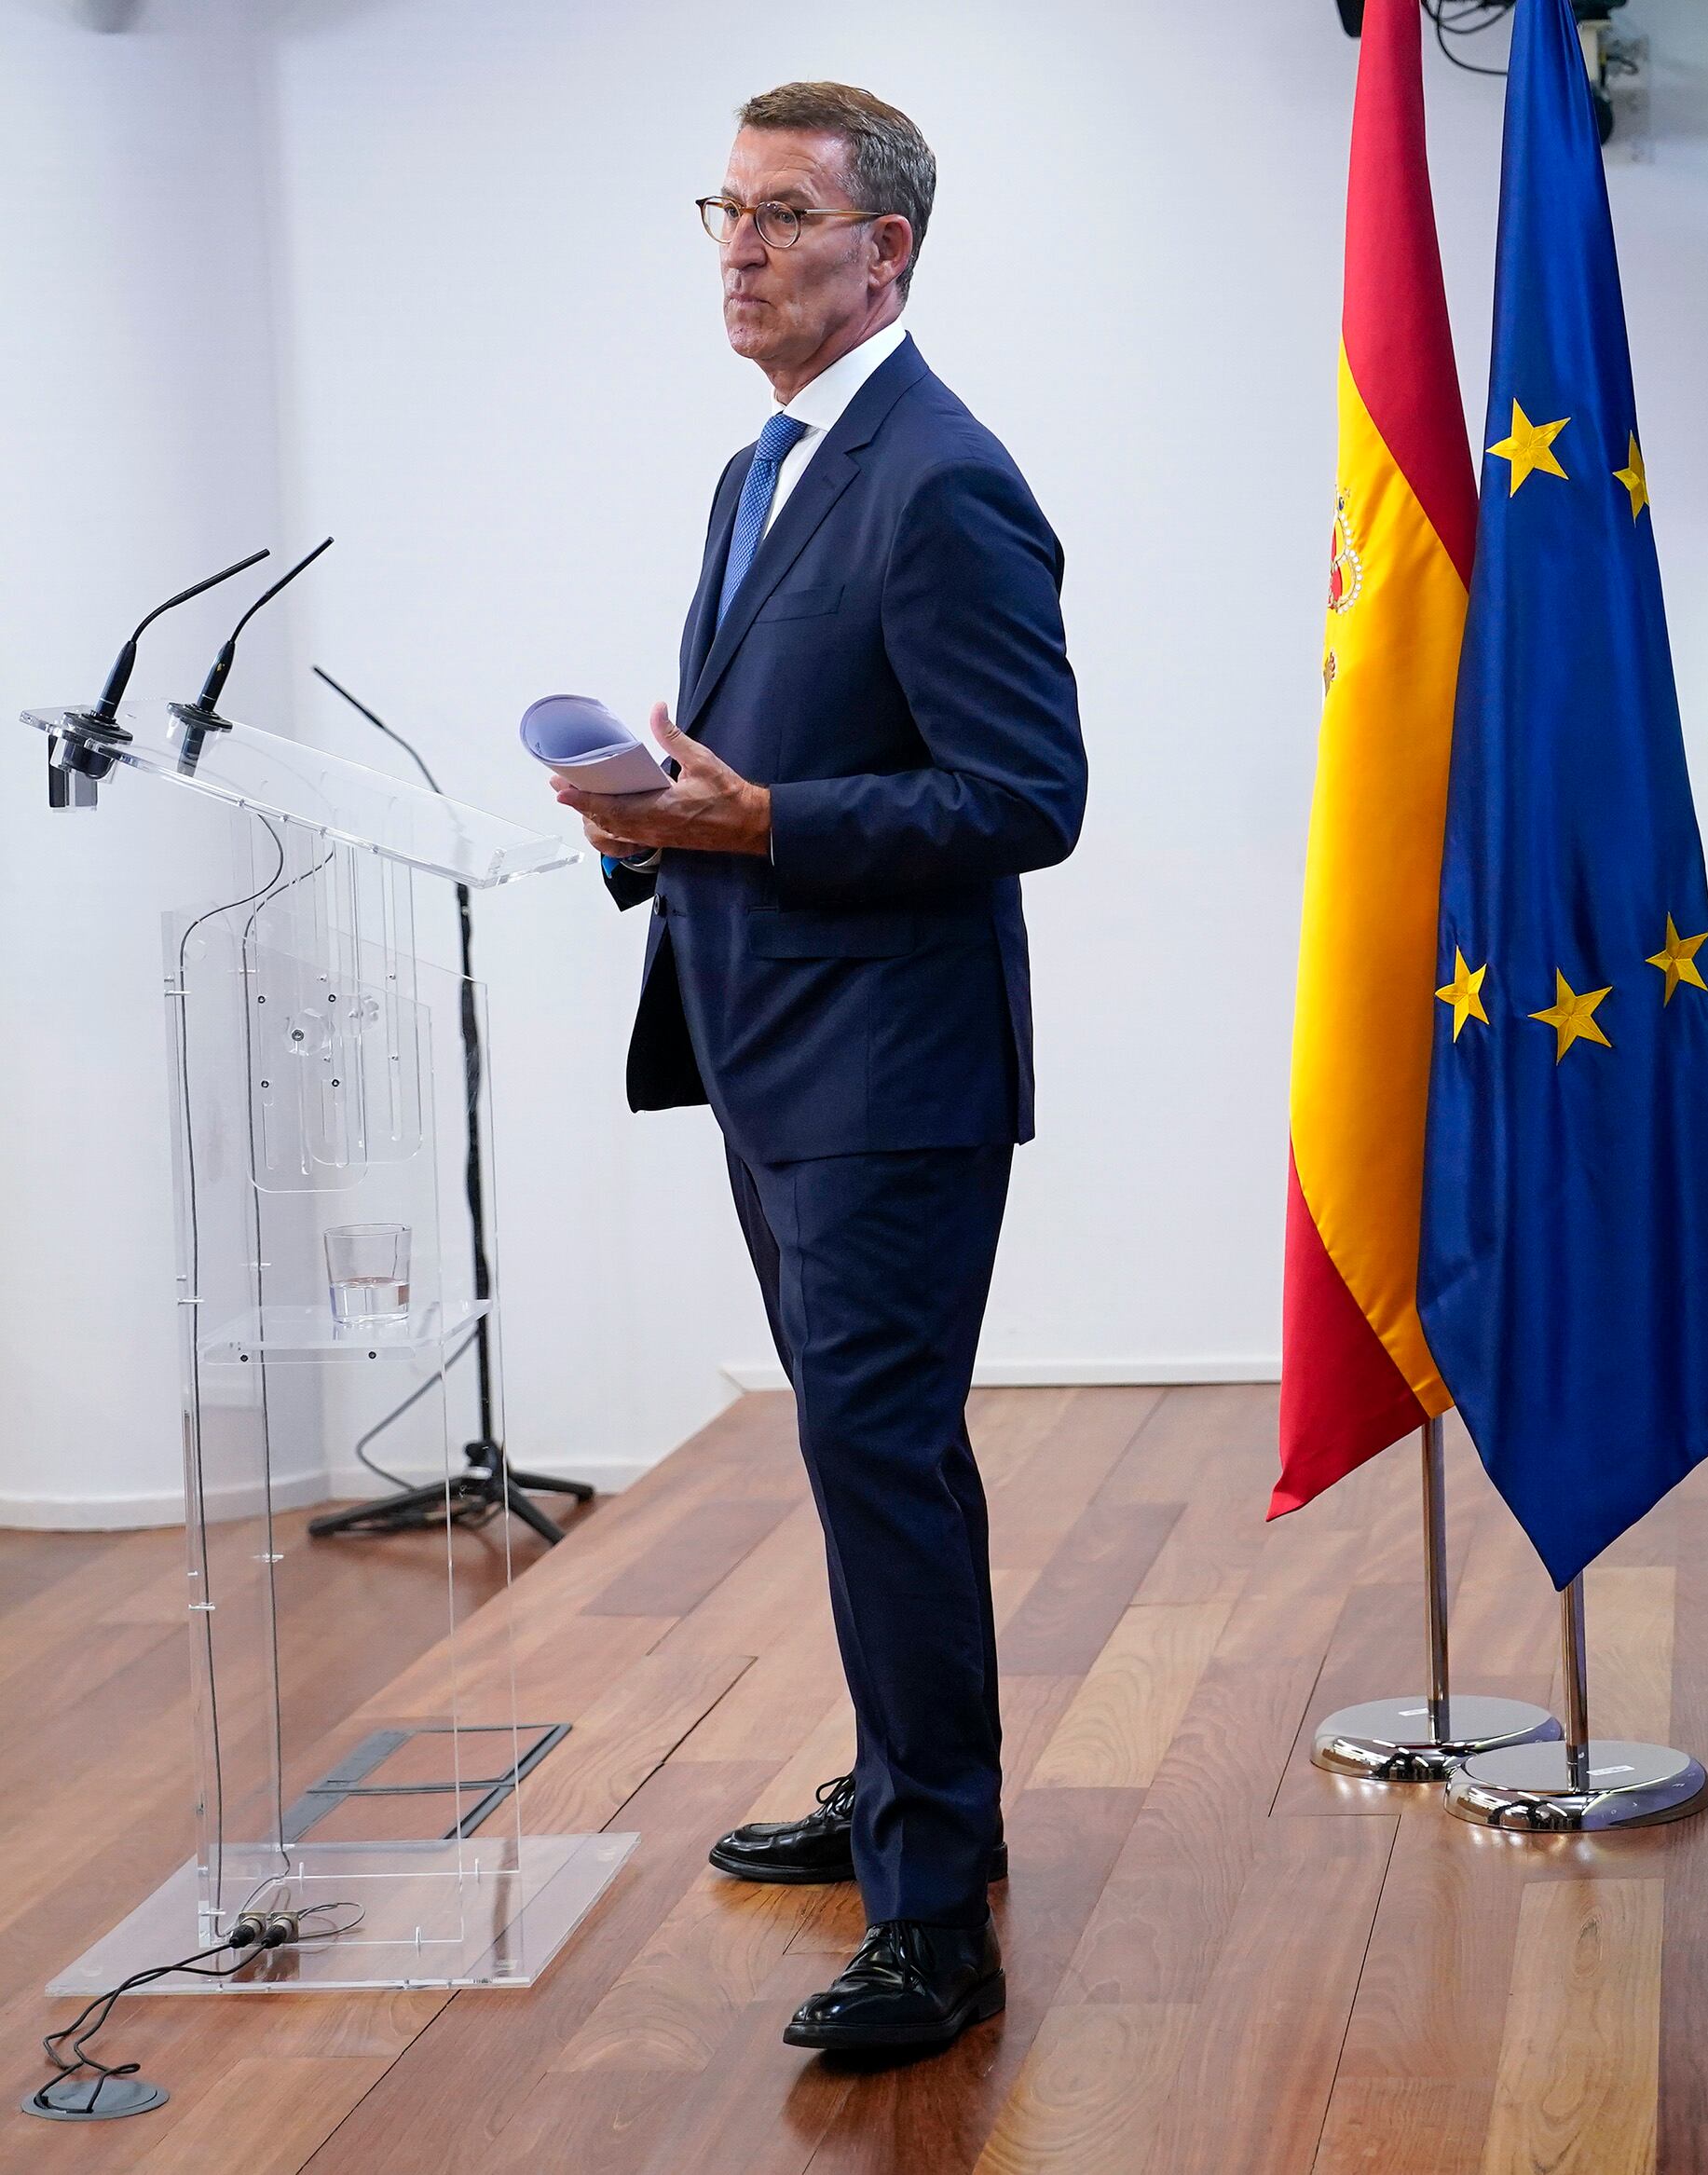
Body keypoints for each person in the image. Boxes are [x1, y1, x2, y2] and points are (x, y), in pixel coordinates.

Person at [553, 80, 1086, 2059]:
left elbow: (1028, 796)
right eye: (726, 209)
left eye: (786, 215)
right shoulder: (758, 469)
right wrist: (652, 818)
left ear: (890, 253)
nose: (742, 248)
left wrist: (764, 821)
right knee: (860, 1459)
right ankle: (904, 1788)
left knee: (882, 1462)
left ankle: (935, 1912)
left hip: (892, 1071)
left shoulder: (943, 479)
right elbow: (763, 766)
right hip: (772, 1049)